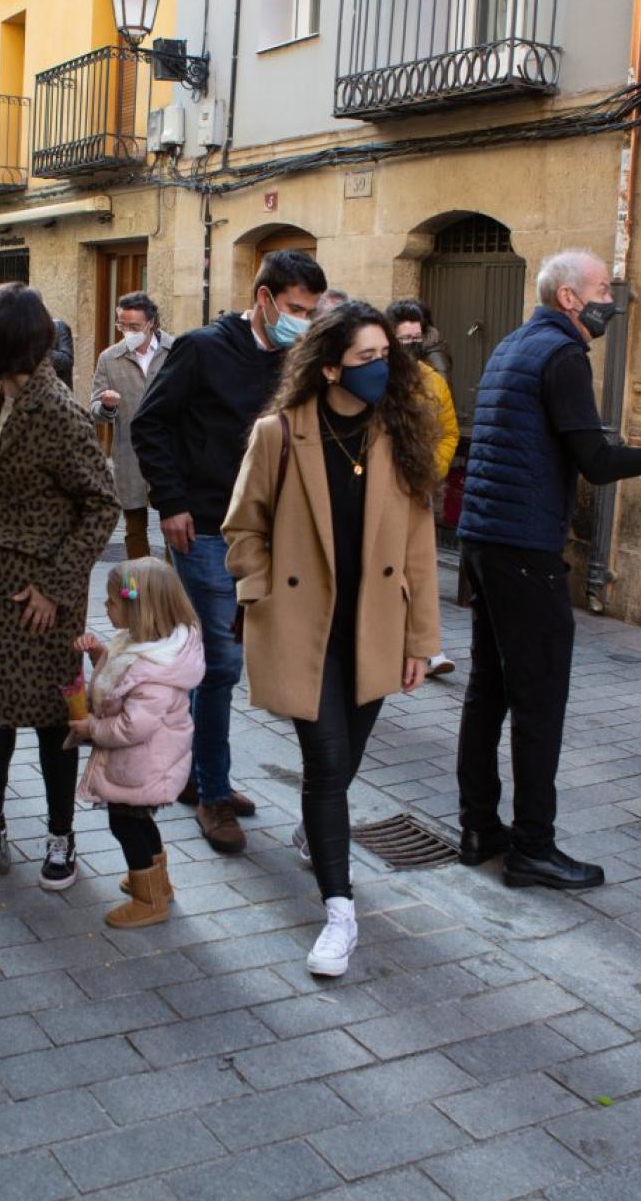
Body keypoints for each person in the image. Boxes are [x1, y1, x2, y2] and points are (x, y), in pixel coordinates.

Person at [458, 249, 641, 890]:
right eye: (599, 288)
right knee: (538, 704)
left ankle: (478, 826)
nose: (609, 300)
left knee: (488, 691)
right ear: (569, 297)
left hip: (484, 539)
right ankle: (532, 848)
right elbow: (596, 461)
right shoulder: (562, 354)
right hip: (523, 547)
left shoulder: (516, 343)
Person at [224, 301, 441, 977]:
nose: (381, 368)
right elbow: (242, 527)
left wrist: (420, 639)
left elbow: (419, 549)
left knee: (341, 769)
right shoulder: (279, 434)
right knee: (325, 765)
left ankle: (317, 830)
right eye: (366, 359)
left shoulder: (400, 433)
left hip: (373, 628)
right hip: (303, 627)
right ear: (327, 367)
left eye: (386, 357)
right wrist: (257, 591)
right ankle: (340, 911)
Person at [133, 249, 327, 853]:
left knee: (227, 663)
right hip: (207, 529)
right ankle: (213, 795)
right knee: (220, 665)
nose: (303, 320)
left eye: (312, 312)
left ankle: (198, 772)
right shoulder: (202, 348)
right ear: (263, 298)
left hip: (272, 537)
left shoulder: (300, 361)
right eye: (295, 309)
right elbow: (150, 424)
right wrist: (171, 502)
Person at [0, 284, 118, 890]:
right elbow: (7, 476)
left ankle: (60, 835)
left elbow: (101, 505)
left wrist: (55, 589)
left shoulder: (59, 412)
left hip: (39, 601)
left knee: (52, 719)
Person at [71, 557, 205, 929]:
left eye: (112, 601)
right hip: (142, 764)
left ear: (136, 606)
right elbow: (118, 681)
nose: (106, 606)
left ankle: (148, 898)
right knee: (139, 821)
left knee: (126, 825)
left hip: (141, 763)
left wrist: (92, 729)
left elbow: (132, 726)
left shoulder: (156, 671)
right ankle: (155, 880)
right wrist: (99, 655)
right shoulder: (142, 645)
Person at [388, 298, 460, 678]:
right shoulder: (374, 376)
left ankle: (426, 648)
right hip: (378, 492)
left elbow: (449, 432)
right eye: (404, 338)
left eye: (417, 338)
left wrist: (433, 469)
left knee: (418, 569)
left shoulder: (433, 381)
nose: (412, 345)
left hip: (417, 490)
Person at [91, 292, 173, 560]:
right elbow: (95, 409)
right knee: (134, 529)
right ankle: (137, 594)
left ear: (151, 323)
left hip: (170, 454)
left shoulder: (176, 350)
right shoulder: (109, 358)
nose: (128, 332)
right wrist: (107, 406)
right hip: (130, 455)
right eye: (122, 326)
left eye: (134, 327)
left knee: (175, 525)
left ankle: (177, 590)